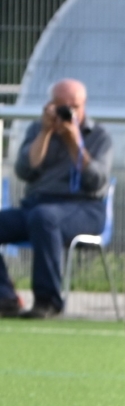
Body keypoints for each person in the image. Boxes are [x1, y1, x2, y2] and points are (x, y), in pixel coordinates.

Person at [1, 77, 115, 317]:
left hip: (85, 207)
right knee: (38, 216)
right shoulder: (37, 130)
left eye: (73, 106)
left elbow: (96, 181)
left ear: (84, 105)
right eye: (61, 106)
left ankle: (48, 302)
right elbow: (24, 171)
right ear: (50, 105)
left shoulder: (100, 136)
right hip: (37, 205)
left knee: (44, 218)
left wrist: (75, 143)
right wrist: (45, 132)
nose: (67, 112)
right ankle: (6, 299)